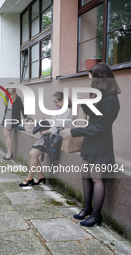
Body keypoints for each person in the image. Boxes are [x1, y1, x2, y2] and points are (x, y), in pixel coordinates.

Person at [60, 63, 121, 227]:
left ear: (100, 78)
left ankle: (96, 216)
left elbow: (101, 126)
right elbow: (94, 114)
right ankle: (87, 208)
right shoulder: (100, 95)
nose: (90, 82)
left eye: (91, 78)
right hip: (90, 141)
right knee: (85, 175)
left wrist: (74, 132)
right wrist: (84, 103)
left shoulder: (111, 99)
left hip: (101, 143)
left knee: (96, 179)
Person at [19, 91, 72, 187]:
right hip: (50, 135)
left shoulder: (67, 111)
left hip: (55, 137)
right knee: (32, 154)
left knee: (32, 154)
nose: (55, 104)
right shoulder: (58, 110)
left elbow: (59, 125)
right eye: (54, 102)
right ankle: (40, 177)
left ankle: (29, 179)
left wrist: (47, 131)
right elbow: (53, 123)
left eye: (56, 102)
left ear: (63, 101)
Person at [2, 87, 26, 160]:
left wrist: (25, 117)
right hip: (7, 115)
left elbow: (22, 108)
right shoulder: (8, 97)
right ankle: (9, 152)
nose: (9, 90)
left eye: (11, 88)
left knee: (7, 135)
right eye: (8, 89)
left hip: (12, 117)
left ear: (14, 89)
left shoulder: (17, 98)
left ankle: (9, 153)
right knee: (5, 135)